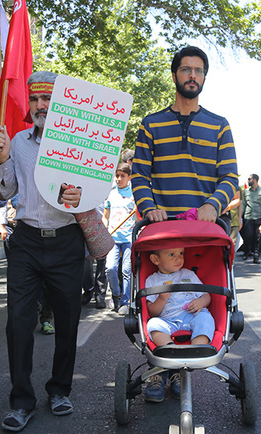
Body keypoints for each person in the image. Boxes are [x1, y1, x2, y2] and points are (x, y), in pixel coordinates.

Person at [131, 45, 238, 400]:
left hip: (204, 229)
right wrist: (149, 209)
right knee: (154, 293)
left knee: (207, 292)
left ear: (204, 77)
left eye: (199, 70)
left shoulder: (219, 125)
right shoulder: (151, 124)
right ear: (175, 74)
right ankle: (161, 368)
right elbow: (140, 175)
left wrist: (213, 205)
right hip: (163, 230)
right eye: (186, 69)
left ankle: (184, 365)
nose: (193, 75)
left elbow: (229, 178)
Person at [0, 70, 86, 432]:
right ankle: (21, 401)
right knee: (18, 321)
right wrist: (2, 158)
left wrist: (84, 194)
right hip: (27, 240)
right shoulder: (17, 142)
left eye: (47, 99)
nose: (40, 105)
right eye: (34, 99)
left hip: (67, 240)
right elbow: (4, 192)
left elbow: (98, 187)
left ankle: (60, 390)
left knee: (67, 321)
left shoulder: (79, 142)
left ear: (59, 103)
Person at [145, 248, 215, 355]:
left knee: (205, 318)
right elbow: (152, 312)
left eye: (181, 253)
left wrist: (201, 302)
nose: (179, 258)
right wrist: (161, 299)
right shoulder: (152, 281)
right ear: (155, 259)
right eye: (172, 254)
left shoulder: (188, 274)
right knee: (153, 324)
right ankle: (170, 348)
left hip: (193, 315)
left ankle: (197, 348)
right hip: (167, 320)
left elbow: (206, 295)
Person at [103, 162, 136, 314]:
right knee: (110, 268)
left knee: (127, 270)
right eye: (117, 175)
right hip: (112, 238)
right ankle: (115, 295)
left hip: (129, 238)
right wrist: (104, 232)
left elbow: (138, 217)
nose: (119, 179)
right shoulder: (110, 193)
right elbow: (105, 217)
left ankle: (125, 301)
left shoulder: (134, 195)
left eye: (123, 176)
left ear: (129, 177)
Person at [241, 173, 261, 264]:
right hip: (248, 217)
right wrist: (241, 218)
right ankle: (246, 252)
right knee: (248, 236)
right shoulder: (246, 192)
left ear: (255, 180)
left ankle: (256, 256)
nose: (248, 181)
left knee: (258, 237)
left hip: (258, 217)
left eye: (249, 179)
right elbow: (243, 205)